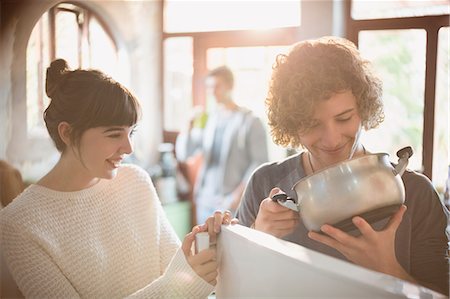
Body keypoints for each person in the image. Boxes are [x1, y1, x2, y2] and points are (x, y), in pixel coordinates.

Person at [0, 59, 237, 298]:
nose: (129, 147)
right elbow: (176, 286)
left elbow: (179, 276)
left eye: (130, 132)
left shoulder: (136, 182)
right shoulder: (18, 225)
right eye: (114, 134)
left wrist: (208, 250)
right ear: (67, 133)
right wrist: (183, 282)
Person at [236, 36, 449, 295]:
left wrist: (388, 268)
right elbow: (237, 287)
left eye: (344, 118)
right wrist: (258, 236)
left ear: (364, 107)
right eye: (312, 124)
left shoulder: (414, 193)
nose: (332, 139)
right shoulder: (266, 184)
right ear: (291, 124)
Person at [176, 66, 268, 224]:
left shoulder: (251, 121)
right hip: (205, 199)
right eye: (209, 87)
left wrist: (237, 196)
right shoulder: (210, 119)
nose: (212, 91)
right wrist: (188, 128)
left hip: (231, 202)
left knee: (229, 248)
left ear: (230, 86)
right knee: (205, 246)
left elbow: (259, 163)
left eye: (217, 86)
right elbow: (185, 154)